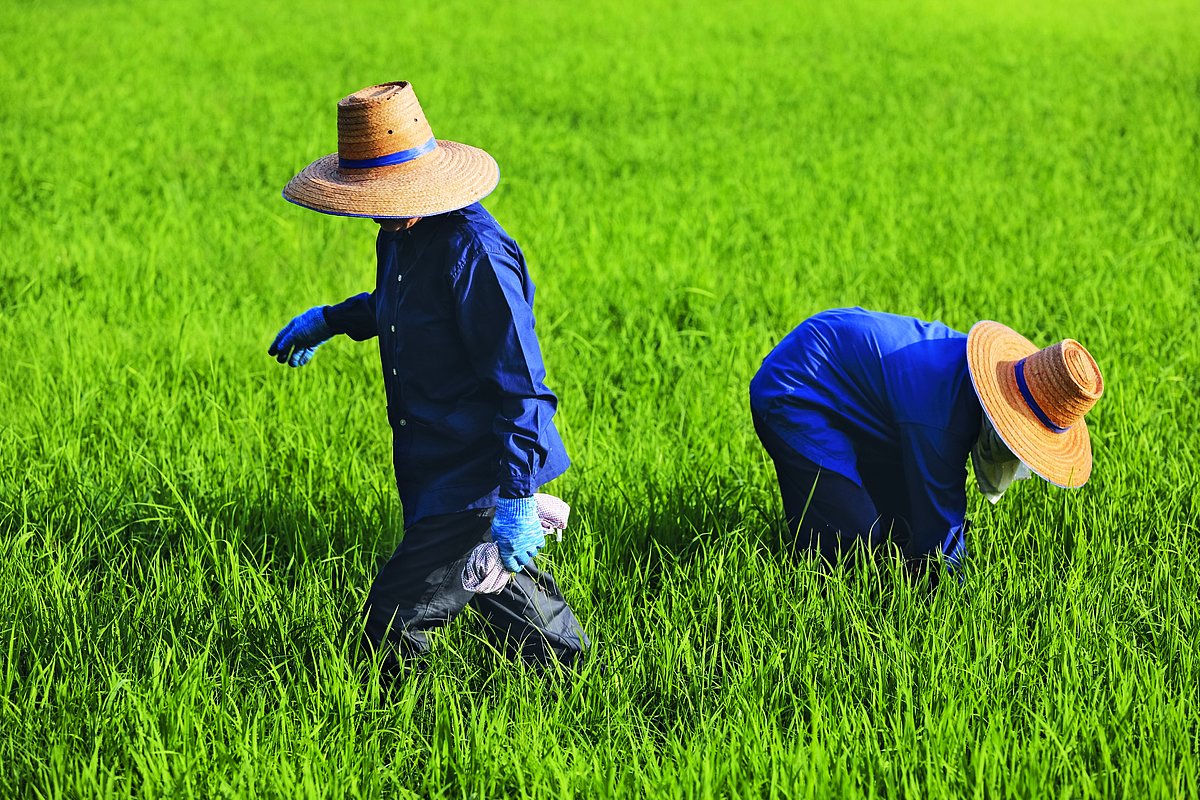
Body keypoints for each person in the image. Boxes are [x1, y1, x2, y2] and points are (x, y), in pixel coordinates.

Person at [268, 81, 588, 671]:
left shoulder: (476, 255)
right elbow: (406, 309)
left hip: (477, 472)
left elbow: (524, 384)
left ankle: (398, 734)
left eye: (378, 193)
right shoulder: (401, 230)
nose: (370, 207)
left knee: (395, 618)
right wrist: (332, 320)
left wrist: (516, 495)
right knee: (493, 582)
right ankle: (569, 675)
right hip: (435, 458)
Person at [749, 307, 1104, 573]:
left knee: (898, 534)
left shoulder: (965, 375)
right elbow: (941, 526)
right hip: (795, 390)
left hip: (851, 387)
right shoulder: (940, 418)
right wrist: (958, 600)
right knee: (852, 550)